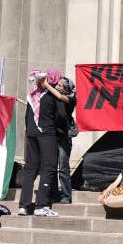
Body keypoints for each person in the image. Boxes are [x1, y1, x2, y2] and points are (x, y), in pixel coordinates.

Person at [17, 68, 65, 217]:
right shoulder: (53, 95)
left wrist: (30, 131)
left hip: (31, 134)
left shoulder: (33, 93)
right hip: (47, 133)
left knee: (30, 168)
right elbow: (61, 116)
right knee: (48, 167)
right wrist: (60, 130)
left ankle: (23, 206)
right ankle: (41, 205)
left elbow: (27, 116)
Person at [48, 75, 77, 205]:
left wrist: (46, 84)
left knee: (63, 166)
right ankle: (54, 194)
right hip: (53, 135)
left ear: (67, 89)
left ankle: (66, 195)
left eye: (60, 86)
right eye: (57, 85)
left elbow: (60, 96)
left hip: (65, 137)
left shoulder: (71, 99)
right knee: (52, 166)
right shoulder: (53, 97)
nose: (57, 87)